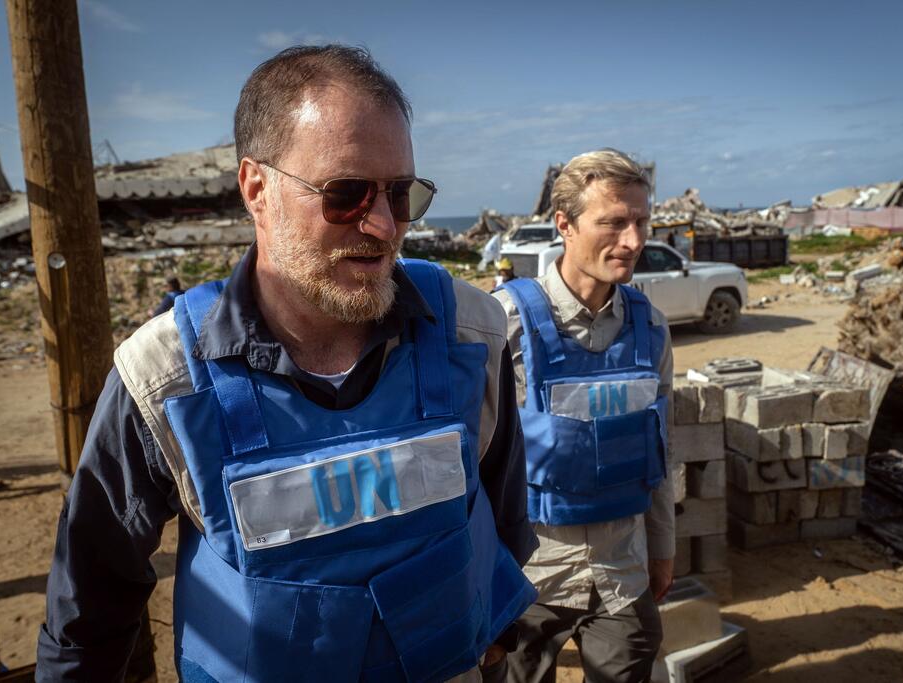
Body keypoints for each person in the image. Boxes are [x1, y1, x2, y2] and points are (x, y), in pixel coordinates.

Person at [36, 45, 537, 683]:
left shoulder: (471, 332)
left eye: (401, 193)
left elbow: (500, 515)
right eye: (347, 194)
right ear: (257, 188)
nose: (384, 226)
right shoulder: (163, 377)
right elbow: (90, 608)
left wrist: (494, 630)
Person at [493, 149, 675, 683]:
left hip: (623, 575)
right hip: (529, 580)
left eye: (641, 222)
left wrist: (661, 551)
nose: (634, 242)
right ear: (564, 225)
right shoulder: (502, 326)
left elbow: (663, 452)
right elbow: (472, 466)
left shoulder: (652, 328)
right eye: (614, 223)